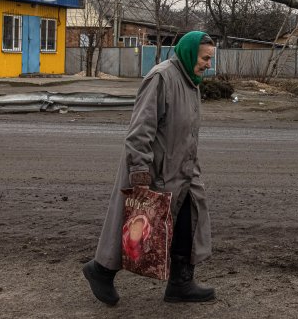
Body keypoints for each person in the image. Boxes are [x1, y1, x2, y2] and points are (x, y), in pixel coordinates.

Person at [83, 31, 217, 305]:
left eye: (210, 59)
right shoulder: (162, 77)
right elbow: (140, 130)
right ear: (191, 52)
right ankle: (101, 270)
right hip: (156, 169)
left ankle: (180, 284)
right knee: (138, 227)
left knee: (187, 222)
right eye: (205, 58)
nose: (208, 64)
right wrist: (139, 171)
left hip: (184, 169)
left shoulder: (191, 82)